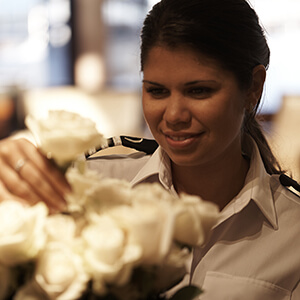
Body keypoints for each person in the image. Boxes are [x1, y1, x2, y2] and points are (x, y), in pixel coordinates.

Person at [0, 0, 299, 298]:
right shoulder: (88, 186)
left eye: (199, 91)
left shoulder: (292, 232)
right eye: (157, 91)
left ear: (253, 88)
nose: (173, 115)